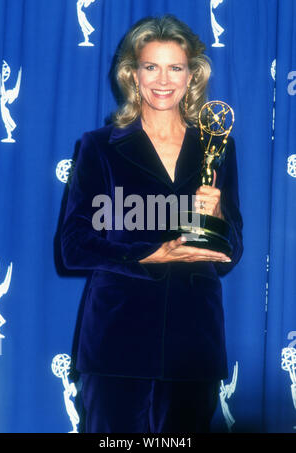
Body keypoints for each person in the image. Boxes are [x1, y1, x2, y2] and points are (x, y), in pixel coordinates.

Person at [61, 15, 243, 433]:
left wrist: (217, 221)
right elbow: (72, 246)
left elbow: (232, 251)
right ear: (132, 73)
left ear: (192, 74)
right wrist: (148, 255)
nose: (164, 80)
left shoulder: (219, 147)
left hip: (194, 343)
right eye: (151, 66)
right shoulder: (99, 147)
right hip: (117, 341)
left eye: (175, 67)